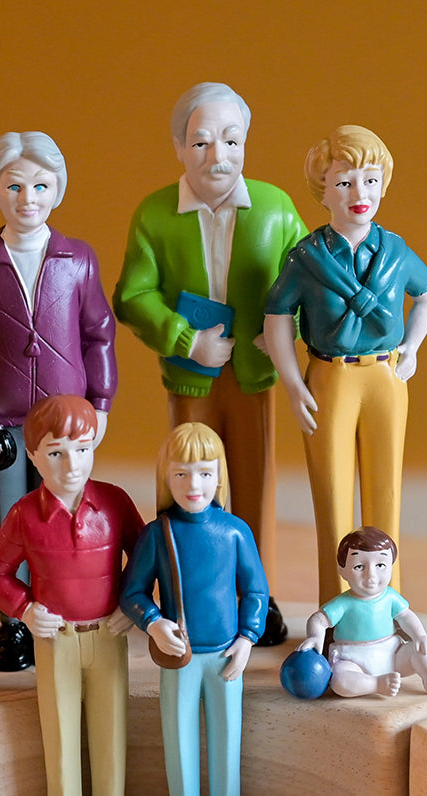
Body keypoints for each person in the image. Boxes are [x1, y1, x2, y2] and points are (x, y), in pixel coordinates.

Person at [113, 82, 306, 646]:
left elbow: (302, 285)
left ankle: (258, 597)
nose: (217, 156)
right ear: (178, 147)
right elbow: (132, 295)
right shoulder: (154, 214)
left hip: (253, 374)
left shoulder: (275, 208)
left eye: (230, 140)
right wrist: (185, 338)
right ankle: (180, 597)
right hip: (192, 378)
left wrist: (285, 336)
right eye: (200, 143)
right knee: (188, 481)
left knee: (256, 482)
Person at [0, 132, 116, 672]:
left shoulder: (77, 259)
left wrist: (100, 402)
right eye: (14, 186)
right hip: (3, 422)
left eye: (40, 185)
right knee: (7, 525)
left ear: (57, 190)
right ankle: (13, 622)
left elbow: (99, 334)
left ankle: (62, 611)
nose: (27, 198)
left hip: (65, 425)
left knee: (63, 517)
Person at [263, 125, 427, 604]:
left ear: (383, 183)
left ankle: (389, 608)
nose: (358, 193)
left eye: (369, 179)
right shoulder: (306, 257)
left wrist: (413, 349)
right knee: (333, 498)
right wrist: (294, 382)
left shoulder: (396, 251)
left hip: (385, 376)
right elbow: (277, 315)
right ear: (323, 190)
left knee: (386, 494)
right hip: (331, 376)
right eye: (343, 182)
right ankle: (336, 611)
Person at [0, 395, 144, 796]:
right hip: (57, 641)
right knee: (61, 734)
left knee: (112, 730)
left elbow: (146, 557)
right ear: (32, 456)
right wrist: (26, 609)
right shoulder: (26, 513)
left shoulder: (113, 503)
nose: (71, 465)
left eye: (82, 449)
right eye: (55, 453)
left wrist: (133, 608)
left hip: (108, 636)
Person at [120, 422, 268, 796]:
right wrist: (154, 622)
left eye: (204, 473)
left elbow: (256, 592)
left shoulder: (235, 531)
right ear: (166, 478)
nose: (193, 485)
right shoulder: (156, 534)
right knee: (178, 743)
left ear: (219, 476)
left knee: (226, 741)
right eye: (181, 474)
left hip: (226, 657)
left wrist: (247, 639)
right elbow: (133, 592)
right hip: (180, 659)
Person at [296, 527, 427, 698]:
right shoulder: (344, 603)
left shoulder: (390, 597)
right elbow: (319, 620)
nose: (371, 575)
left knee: (422, 651)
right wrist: (315, 637)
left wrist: (421, 636)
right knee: (340, 681)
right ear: (342, 570)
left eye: (380, 565)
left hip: (393, 655)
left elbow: (406, 616)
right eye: (359, 566)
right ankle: (377, 684)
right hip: (352, 659)